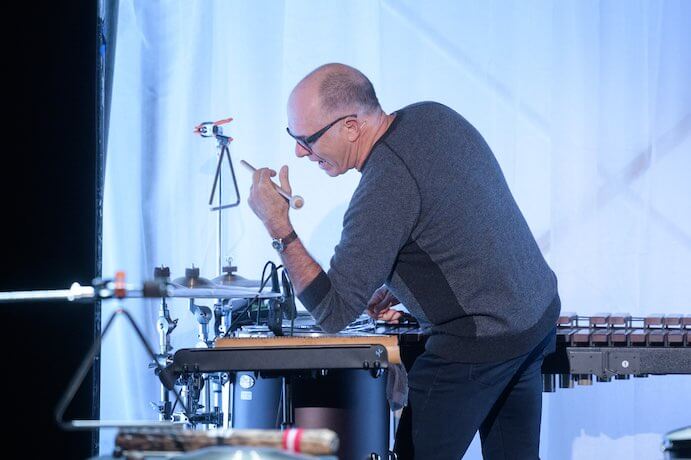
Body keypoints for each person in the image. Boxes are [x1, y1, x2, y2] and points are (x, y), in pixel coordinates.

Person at [247, 63, 560, 459]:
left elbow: (333, 312)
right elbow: (462, 225)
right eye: (293, 137)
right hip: (534, 317)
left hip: (481, 343)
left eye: (306, 139)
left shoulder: (384, 185)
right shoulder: (432, 115)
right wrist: (401, 284)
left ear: (351, 127)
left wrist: (278, 226)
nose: (298, 151)